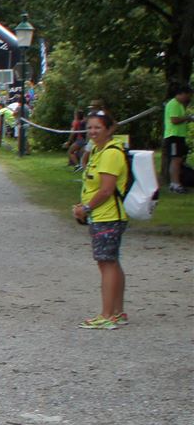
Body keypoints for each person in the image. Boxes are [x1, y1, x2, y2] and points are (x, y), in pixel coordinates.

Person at [71, 109, 129, 328]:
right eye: (90, 127)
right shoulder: (98, 150)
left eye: (98, 127)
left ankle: (107, 315)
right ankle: (117, 312)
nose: (93, 131)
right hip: (101, 215)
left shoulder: (111, 153)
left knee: (107, 264)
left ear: (109, 129)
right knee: (111, 262)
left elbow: (106, 190)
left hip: (109, 216)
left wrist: (86, 208)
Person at [162, 85, 191, 194]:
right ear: (181, 93)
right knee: (175, 160)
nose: (188, 98)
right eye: (187, 95)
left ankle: (177, 182)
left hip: (179, 136)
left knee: (178, 160)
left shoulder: (180, 105)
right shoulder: (173, 104)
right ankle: (175, 184)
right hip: (173, 136)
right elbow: (174, 120)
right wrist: (187, 118)